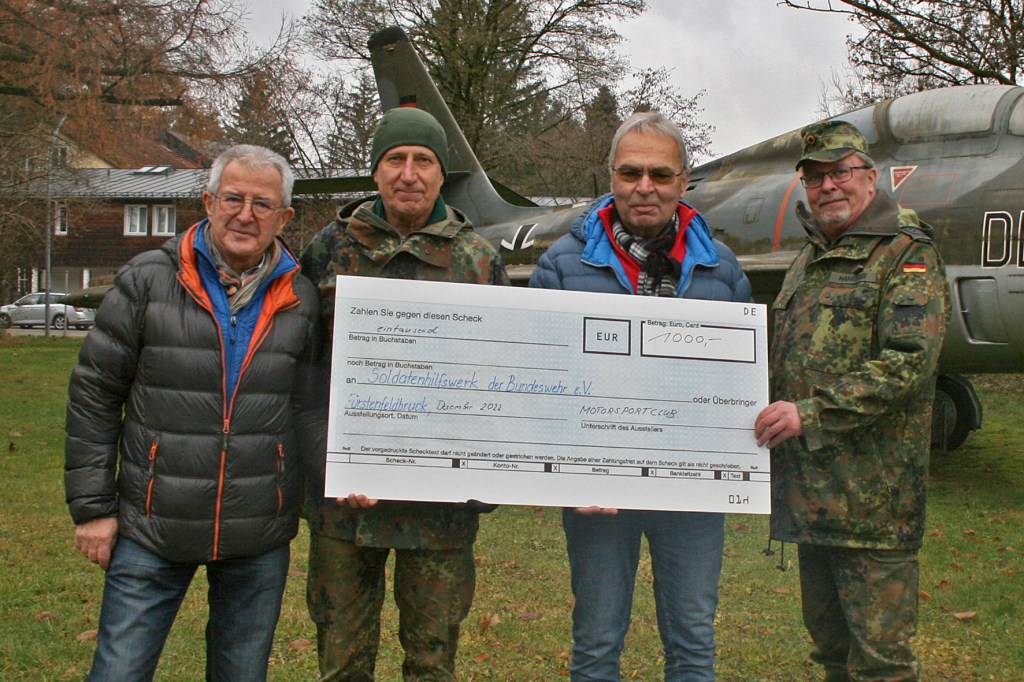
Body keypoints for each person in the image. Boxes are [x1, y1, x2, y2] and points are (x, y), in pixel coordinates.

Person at [64, 144, 321, 681]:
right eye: (232, 198)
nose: (245, 215)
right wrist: (92, 507)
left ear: (285, 216)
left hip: (257, 531)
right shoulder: (147, 281)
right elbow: (95, 393)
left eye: (262, 204)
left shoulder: (301, 296)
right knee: (119, 671)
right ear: (207, 201)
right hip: (152, 523)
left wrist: (341, 479)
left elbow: (309, 406)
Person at [530, 111, 752, 681]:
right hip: (597, 491)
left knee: (694, 643)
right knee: (598, 643)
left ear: (683, 182)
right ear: (611, 176)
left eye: (660, 173)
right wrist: (569, 472)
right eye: (630, 173)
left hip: (693, 490)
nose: (644, 187)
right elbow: (537, 379)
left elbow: (743, 380)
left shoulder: (721, 270)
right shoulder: (562, 263)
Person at [300, 106, 509, 681]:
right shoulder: (329, 250)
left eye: (424, 160)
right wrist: (329, 462)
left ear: (443, 174)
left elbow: (503, 379)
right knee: (341, 660)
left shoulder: (478, 260)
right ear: (375, 171)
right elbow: (303, 371)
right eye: (395, 160)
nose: (409, 174)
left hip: (438, 512)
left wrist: (485, 476)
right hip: (344, 508)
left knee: (431, 659)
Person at [754, 120, 949, 681]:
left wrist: (809, 414)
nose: (827, 187)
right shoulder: (809, 260)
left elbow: (908, 363)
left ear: (870, 178)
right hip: (813, 503)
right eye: (814, 178)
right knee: (831, 657)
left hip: (872, 510)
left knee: (881, 665)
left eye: (840, 173)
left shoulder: (906, 256)